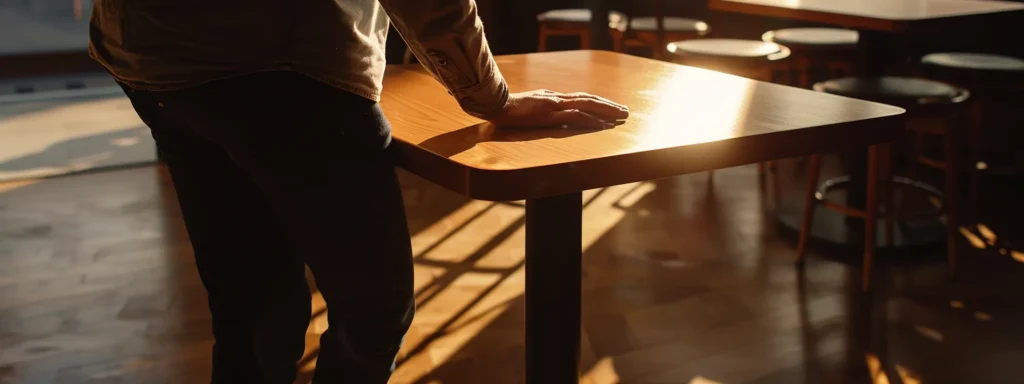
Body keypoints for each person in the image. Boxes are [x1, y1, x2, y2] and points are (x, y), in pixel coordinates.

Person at [88, 0, 628, 382]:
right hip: (284, 69)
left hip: (149, 58)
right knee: (372, 311)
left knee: (254, 303)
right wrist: (490, 98)